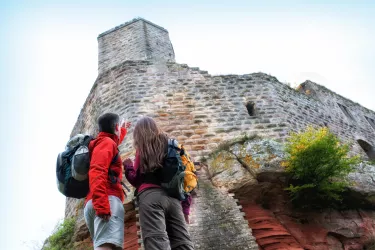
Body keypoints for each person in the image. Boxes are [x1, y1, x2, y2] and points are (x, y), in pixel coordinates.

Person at [123, 116, 194, 250]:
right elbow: (184, 177)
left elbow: (136, 180)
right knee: (183, 244)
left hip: (150, 198)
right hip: (174, 200)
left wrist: (128, 167)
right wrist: (185, 208)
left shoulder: (143, 149)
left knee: (156, 241)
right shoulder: (171, 145)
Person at [84, 113, 131, 250]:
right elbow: (97, 171)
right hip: (106, 199)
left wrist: (122, 131)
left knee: (108, 246)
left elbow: (113, 143)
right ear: (115, 126)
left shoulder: (101, 143)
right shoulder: (107, 143)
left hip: (94, 201)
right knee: (105, 246)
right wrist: (102, 204)